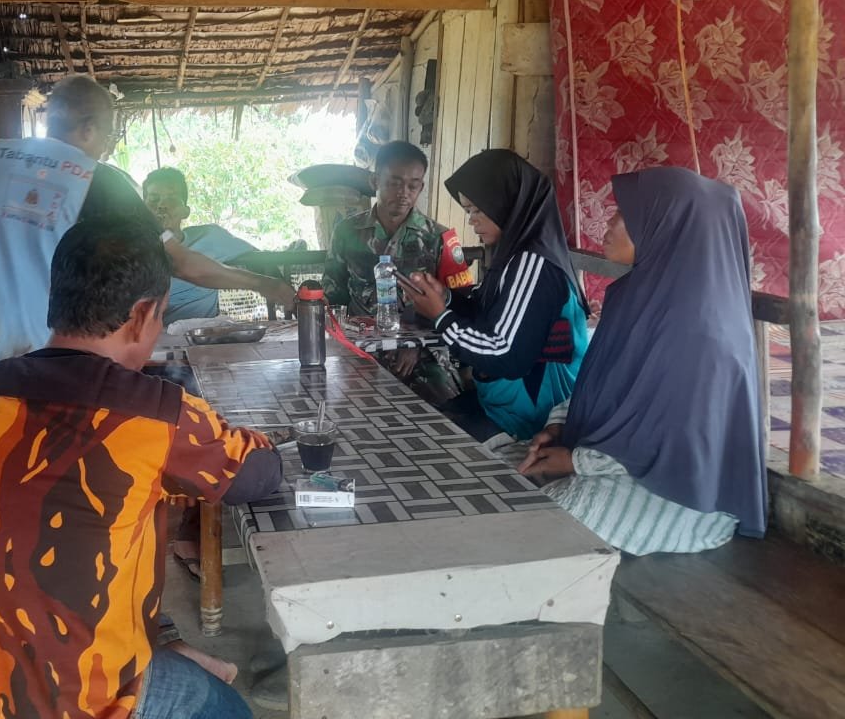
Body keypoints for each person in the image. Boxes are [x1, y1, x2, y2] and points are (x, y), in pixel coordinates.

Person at [0, 215, 281, 719]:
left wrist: (162, 638)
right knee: (223, 707)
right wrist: (264, 437)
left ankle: (156, 650)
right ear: (142, 315)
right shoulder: (155, 414)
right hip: (62, 702)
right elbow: (257, 473)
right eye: (161, 316)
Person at [0, 74, 295, 408]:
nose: (107, 144)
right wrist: (263, 283)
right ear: (89, 128)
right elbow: (180, 261)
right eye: (108, 132)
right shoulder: (101, 180)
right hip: (54, 371)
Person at [519, 167, 767, 554]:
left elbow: (674, 442)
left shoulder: (703, 332)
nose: (609, 223)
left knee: (534, 523)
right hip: (611, 464)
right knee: (505, 484)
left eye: (624, 214)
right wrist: (561, 426)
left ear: (667, 228)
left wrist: (576, 462)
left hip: (678, 493)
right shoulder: (638, 297)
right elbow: (608, 391)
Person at [408, 149, 589, 443]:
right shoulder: (515, 257)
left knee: (422, 441)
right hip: (503, 404)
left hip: (530, 421)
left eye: (477, 210)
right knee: (419, 421)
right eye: (468, 211)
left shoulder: (534, 263)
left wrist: (441, 316)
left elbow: (505, 353)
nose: (471, 221)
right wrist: (447, 298)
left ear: (506, 203)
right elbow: (490, 313)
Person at [321, 140, 466, 395]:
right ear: (375, 181)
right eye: (394, 183)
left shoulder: (440, 238)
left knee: (443, 401)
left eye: (413, 185)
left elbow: (460, 305)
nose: (403, 193)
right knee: (335, 399)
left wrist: (416, 345)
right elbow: (333, 294)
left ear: (421, 187)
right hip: (360, 349)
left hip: (424, 352)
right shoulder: (347, 232)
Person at [142, 166, 257, 324]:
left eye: (171, 199)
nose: (162, 205)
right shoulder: (130, 251)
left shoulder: (211, 237)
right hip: (151, 337)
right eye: (154, 199)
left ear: (186, 211)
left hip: (203, 334)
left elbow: (264, 260)